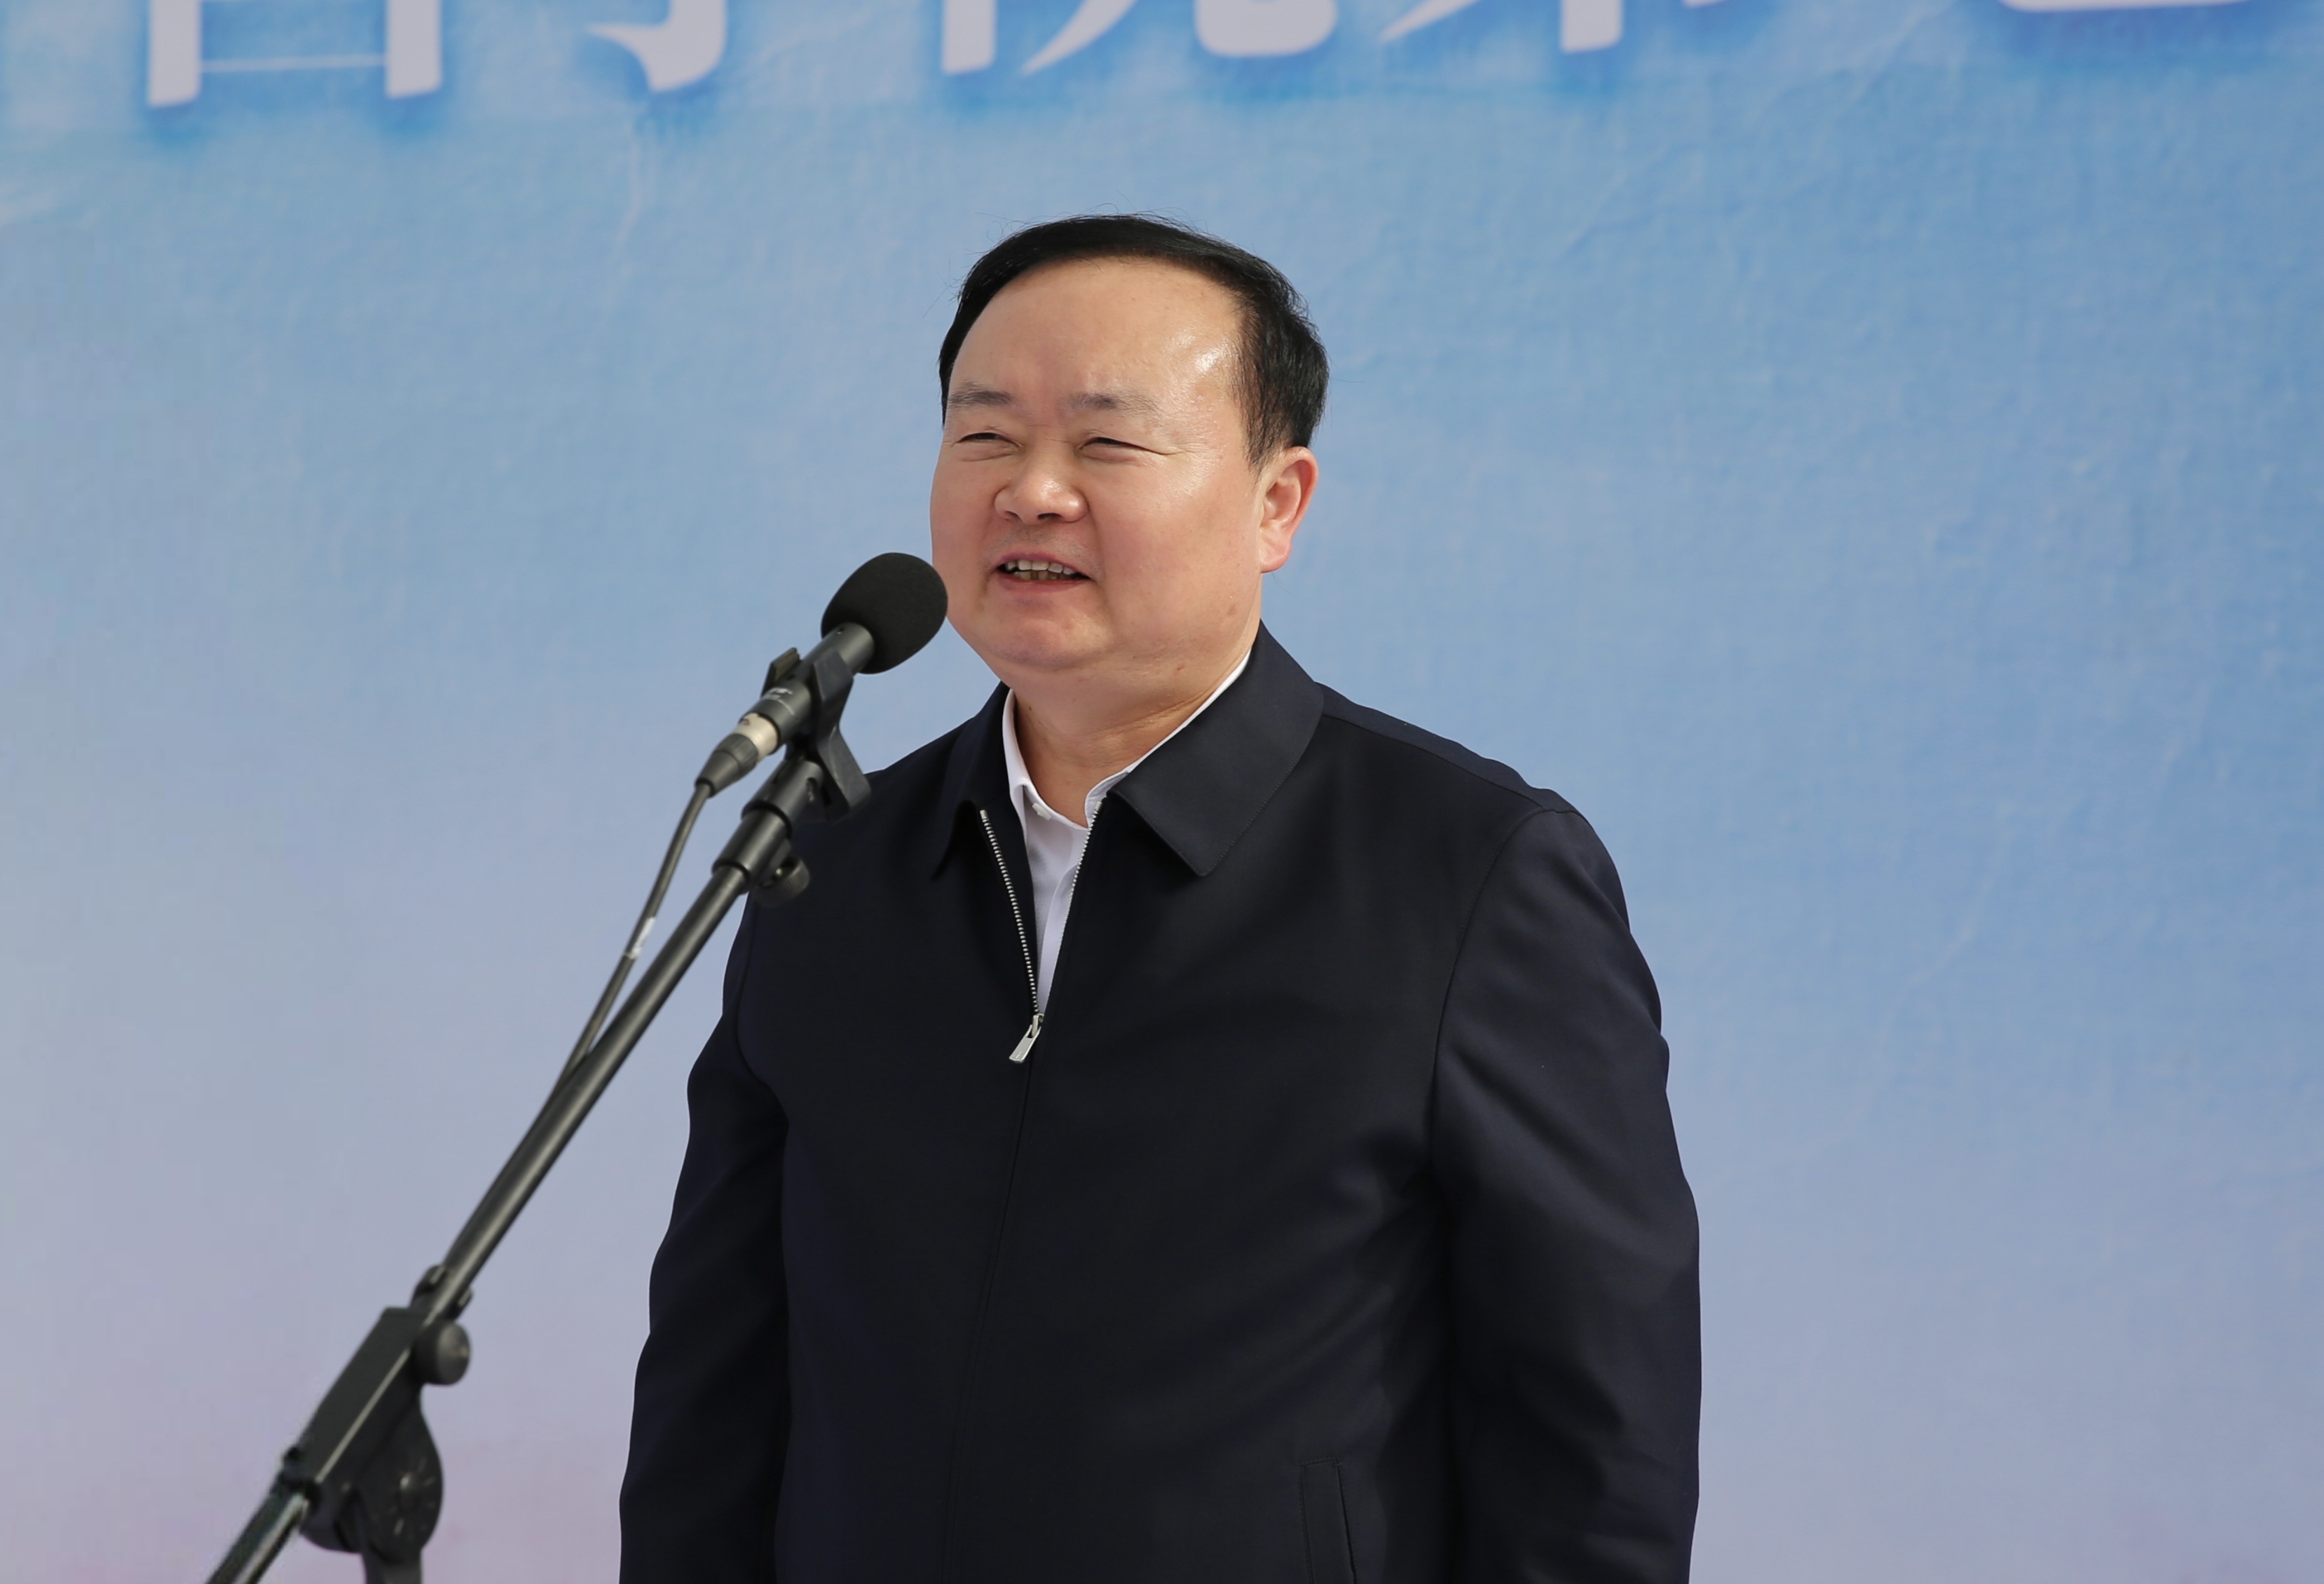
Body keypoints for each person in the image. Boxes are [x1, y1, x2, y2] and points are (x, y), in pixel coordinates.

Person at [620, 214, 1700, 1584]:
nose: (1032, 491)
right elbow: (716, 1399)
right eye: (984, 435)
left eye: (1107, 442)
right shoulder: (826, 864)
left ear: (1276, 505)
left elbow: (1593, 1446)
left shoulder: (1468, 874)